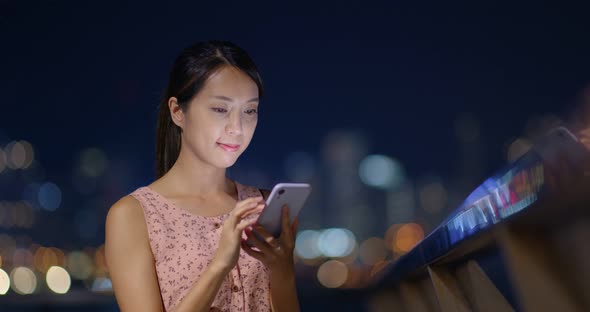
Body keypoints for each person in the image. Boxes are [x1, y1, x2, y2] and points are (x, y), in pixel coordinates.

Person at [105, 41, 300, 312]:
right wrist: (220, 265)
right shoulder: (134, 215)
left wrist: (283, 271)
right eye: (220, 109)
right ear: (177, 111)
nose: (237, 128)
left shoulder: (263, 206)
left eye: (250, 111)